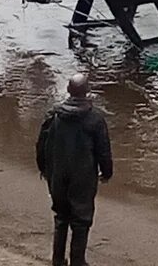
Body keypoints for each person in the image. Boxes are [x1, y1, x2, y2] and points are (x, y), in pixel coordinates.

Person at [36, 74, 113, 266]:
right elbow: (103, 151)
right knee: (81, 220)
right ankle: (78, 261)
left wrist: (43, 169)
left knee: (61, 217)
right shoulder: (95, 120)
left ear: (69, 91)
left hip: (57, 175)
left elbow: (41, 145)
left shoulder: (53, 115)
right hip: (83, 177)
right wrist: (107, 172)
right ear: (87, 92)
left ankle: (58, 259)